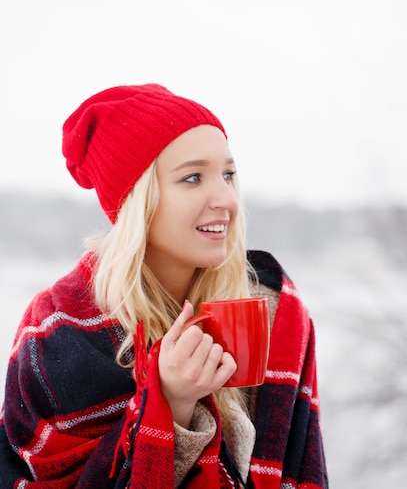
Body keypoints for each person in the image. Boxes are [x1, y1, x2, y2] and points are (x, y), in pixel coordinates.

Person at [0, 84, 328, 488]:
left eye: (228, 174)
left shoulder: (277, 313)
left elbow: (302, 469)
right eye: (192, 178)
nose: (225, 198)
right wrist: (170, 405)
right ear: (138, 201)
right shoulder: (60, 331)